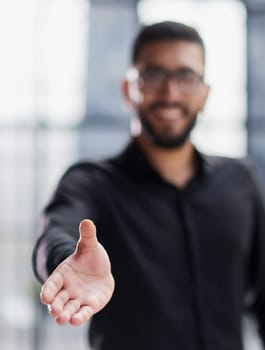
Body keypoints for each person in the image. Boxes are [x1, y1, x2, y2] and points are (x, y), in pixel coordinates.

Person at [32, 21, 265, 350]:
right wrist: (65, 260)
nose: (170, 93)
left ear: (204, 93)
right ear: (129, 90)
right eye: (153, 75)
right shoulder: (91, 183)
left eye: (186, 77)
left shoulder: (240, 181)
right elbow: (56, 233)